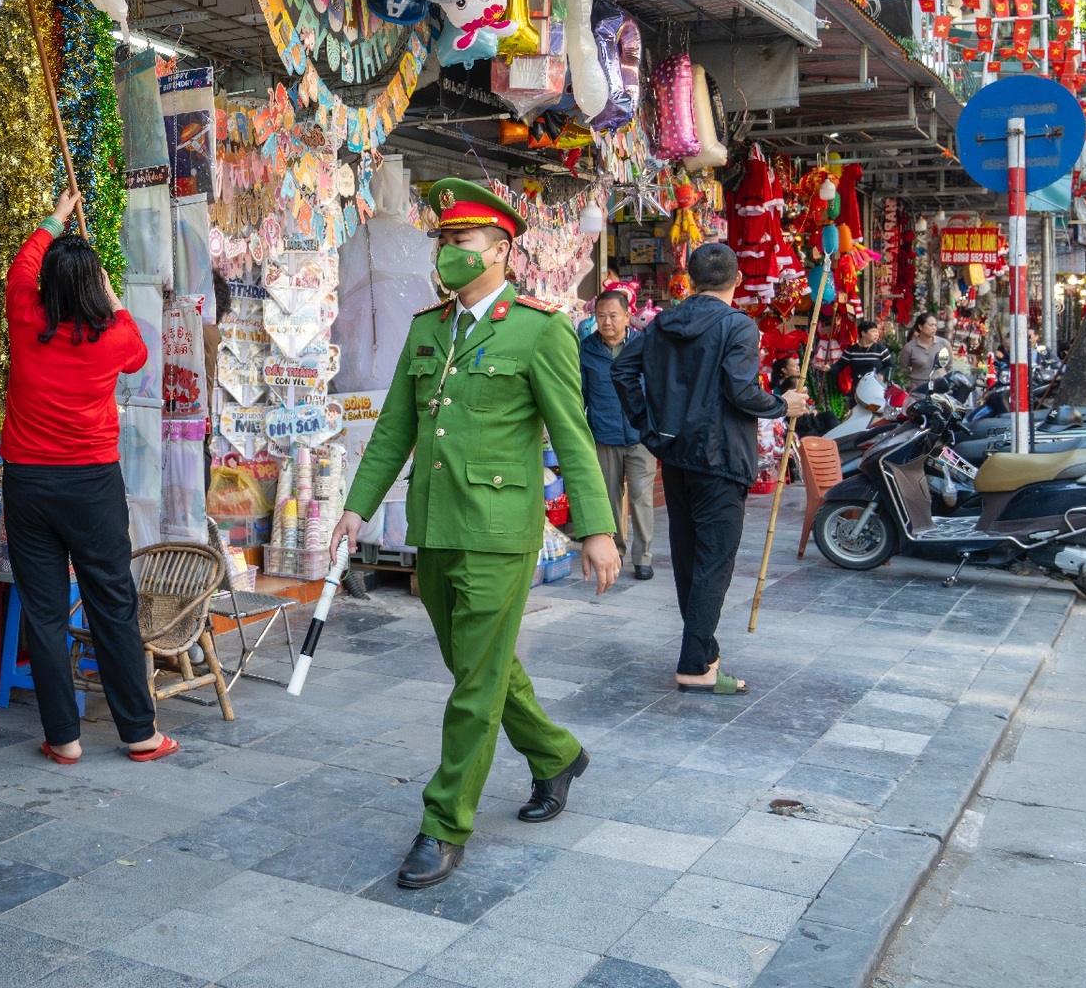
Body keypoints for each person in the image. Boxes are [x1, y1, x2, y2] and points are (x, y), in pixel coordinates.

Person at [328, 179, 620, 891]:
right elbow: (397, 425)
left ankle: (443, 823)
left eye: (460, 242)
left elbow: (573, 437)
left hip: (498, 531)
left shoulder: (538, 328)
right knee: (479, 670)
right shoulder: (430, 328)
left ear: (500, 251)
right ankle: (555, 754)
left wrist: (597, 528)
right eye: (443, 242)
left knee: (473, 685)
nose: (447, 254)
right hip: (435, 526)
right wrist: (355, 507)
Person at [1, 189, 174, 765]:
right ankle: (139, 734)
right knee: (111, 602)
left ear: (48, 286)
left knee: (45, 611)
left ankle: (64, 738)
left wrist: (55, 215)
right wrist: (114, 299)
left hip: (28, 484)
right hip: (93, 484)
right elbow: (139, 354)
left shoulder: (25, 313)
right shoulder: (115, 337)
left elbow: (23, 262)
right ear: (94, 287)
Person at [612, 243, 807, 696]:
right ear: (737, 280)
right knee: (714, 562)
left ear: (691, 279)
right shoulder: (738, 325)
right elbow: (741, 391)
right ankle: (695, 664)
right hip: (720, 459)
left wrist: (649, 427)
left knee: (690, 558)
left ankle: (705, 651)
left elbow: (622, 370)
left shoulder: (662, 323)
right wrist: (783, 403)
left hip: (676, 456)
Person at [581, 289, 655, 581]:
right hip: (604, 433)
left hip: (640, 435)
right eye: (601, 316)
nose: (607, 322)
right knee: (609, 499)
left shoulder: (643, 345)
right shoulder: (587, 348)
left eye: (613, 315)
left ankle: (643, 558)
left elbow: (658, 389)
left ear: (628, 316)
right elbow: (581, 394)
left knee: (641, 497)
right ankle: (616, 551)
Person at [900, 313, 952, 388]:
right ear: (920, 327)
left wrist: (939, 376)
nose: (934, 328)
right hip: (917, 389)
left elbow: (949, 366)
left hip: (938, 389)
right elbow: (904, 369)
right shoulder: (909, 347)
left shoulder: (943, 344)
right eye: (931, 325)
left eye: (935, 325)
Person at [840, 321, 892, 387]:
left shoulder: (881, 349)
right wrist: (829, 368)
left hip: (876, 388)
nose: (876, 334)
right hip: (858, 387)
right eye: (873, 331)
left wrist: (881, 373)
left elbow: (890, 365)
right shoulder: (851, 350)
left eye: (877, 331)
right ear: (863, 333)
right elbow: (839, 365)